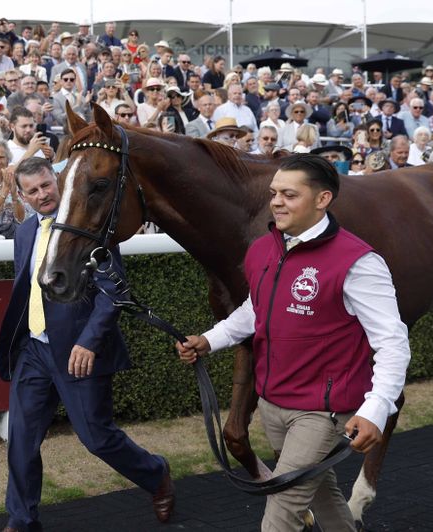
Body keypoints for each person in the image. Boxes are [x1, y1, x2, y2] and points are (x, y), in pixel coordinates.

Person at [175, 154, 410, 532]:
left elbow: (393, 341)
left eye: (289, 194)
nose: (277, 202)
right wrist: (209, 339)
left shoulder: (359, 262)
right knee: (322, 494)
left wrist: (376, 408)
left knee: (281, 512)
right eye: (274, 193)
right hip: (273, 402)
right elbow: (256, 309)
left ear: (323, 199)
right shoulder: (262, 249)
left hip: (322, 412)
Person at [0, 156, 174, 532]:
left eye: (46, 185)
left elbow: (113, 292)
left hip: (79, 352)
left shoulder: (91, 225)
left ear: (57, 180)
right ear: (22, 195)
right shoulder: (25, 232)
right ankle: (22, 519)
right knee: (21, 440)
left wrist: (89, 342)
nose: (42, 195)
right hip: (34, 349)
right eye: (32, 191)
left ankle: (156, 474)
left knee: (97, 439)